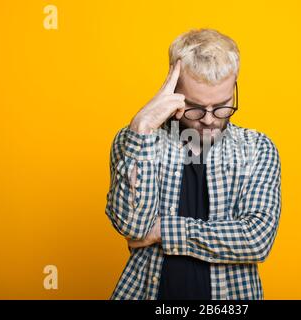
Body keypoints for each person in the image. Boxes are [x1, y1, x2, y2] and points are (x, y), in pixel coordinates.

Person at [105, 28, 281, 300]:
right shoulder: (135, 141)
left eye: (222, 105)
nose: (209, 119)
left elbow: (256, 239)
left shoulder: (257, 148)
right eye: (195, 107)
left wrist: (163, 230)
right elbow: (133, 226)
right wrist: (141, 129)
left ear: (234, 87)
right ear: (173, 92)